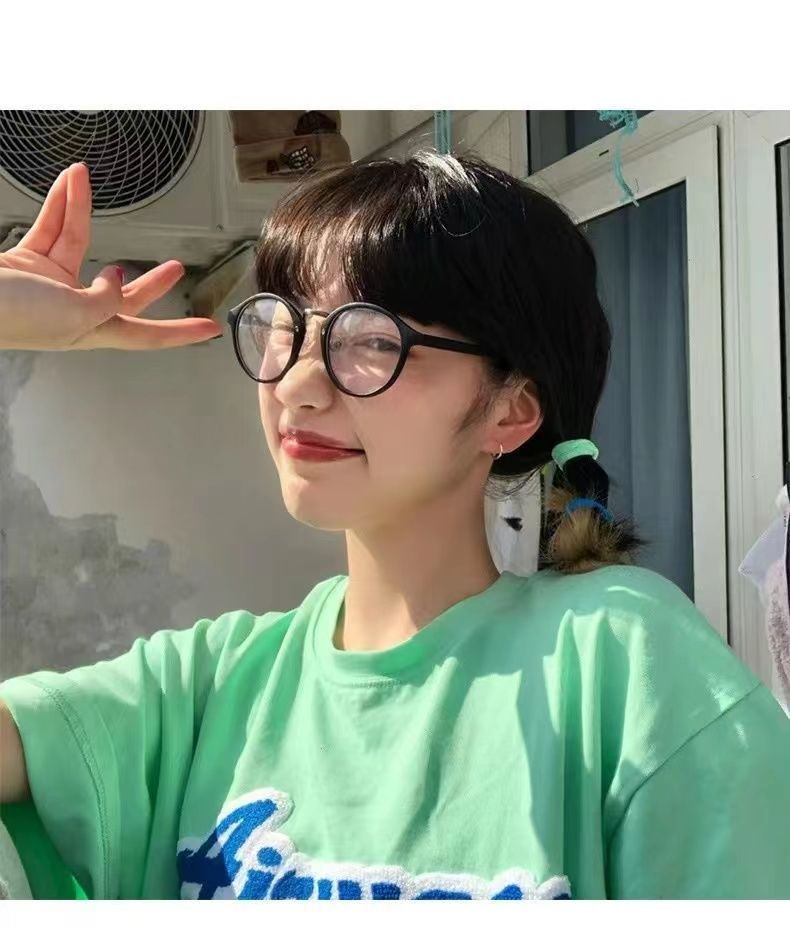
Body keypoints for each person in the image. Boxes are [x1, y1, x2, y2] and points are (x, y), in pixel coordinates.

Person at [0, 156, 789, 901]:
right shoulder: (212, 687)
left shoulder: (622, 664)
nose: (299, 386)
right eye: (286, 330)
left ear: (509, 411)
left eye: (373, 342)